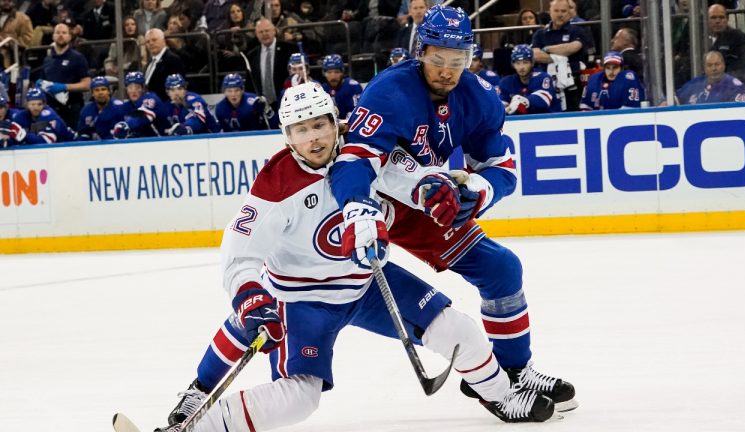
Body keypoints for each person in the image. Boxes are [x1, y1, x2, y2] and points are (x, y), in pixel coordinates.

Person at [152, 82, 552, 432]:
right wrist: (251, 296)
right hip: (304, 300)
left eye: (320, 124)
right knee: (299, 398)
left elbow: (414, 180)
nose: (314, 138)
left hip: (366, 283)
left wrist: (435, 191)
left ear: (335, 122)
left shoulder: (367, 153)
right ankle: (198, 419)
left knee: (458, 329)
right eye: (301, 129)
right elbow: (239, 254)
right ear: (287, 136)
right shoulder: (275, 185)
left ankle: (502, 396)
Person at [329, 3, 577, 417]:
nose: (446, 69)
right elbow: (355, 161)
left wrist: (476, 192)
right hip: (378, 202)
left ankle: (515, 369)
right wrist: (357, 210)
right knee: (342, 283)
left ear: (470, 57)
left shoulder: (478, 97)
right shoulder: (388, 92)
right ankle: (486, 380)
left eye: (457, 60)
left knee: (501, 269)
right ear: (420, 52)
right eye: (437, 59)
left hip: (428, 200)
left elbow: (502, 166)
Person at [532, 0, 593, 111]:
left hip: (572, 85)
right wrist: (560, 57)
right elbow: (535, 54)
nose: (560, 14)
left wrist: (546, 49)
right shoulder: (540, 33)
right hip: (546, 84)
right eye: (556, 10)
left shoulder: (577, 31)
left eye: (563, 11)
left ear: (569, 12)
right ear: (550, 12)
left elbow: (574, 47)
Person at [36, 23, 91, 128]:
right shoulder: (47, 60)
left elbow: (87, 84)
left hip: (72, 108)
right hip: (51, 110)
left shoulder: (78, 58)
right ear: (53, 36)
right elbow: (43, 82)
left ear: (69, 37)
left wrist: (64, 87)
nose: (60, 35)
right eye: (57, 32)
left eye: (64, 33)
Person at [247, 17, 294, 110]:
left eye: (267, 30)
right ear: (256, 34)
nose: (264, 34)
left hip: (287, 102)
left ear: (274, 31)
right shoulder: (251, 55)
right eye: (261, 32)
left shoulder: (289, 49)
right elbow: (250, 82)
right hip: (263, 106)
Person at [499, 44, 561, 114]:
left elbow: (543, 101)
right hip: (522, 121)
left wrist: (524, 101)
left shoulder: (543, 77)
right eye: (517, 63)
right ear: (513, 64)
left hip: (549, 119)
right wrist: (505, 109)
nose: (521, 67)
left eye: (525, 62)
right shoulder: (506, 82)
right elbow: (501, 103)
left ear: (532, 63)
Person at [673, 50, 745, 105]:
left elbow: (740, 114)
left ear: (723, 65)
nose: (714, 68)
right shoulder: (695, 83)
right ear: (704, 68)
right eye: (709, 65)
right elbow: (676, 97)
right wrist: (666, 101)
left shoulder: (735, 87)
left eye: (717, 64)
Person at [6, 87, 75, 145]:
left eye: (39, 104)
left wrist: (23, 135)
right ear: (27, 104)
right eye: (32, 104)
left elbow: (47, 141)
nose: (36, 108)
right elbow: (15, 137)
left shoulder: (48, 114)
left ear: (44, 104)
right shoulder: (22, 116)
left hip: (72, 144)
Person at [579, 51, 645, 110]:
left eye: (615, 67)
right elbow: (585, 110)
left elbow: (629, 112)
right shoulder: (594, 80)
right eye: (608, 68)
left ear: (621, 68)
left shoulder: (628, 79)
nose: (611, 72)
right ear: (604, 69)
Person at [112, 71, 170, 138]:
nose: (133, 91)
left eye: (137, 87)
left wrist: (125, 125)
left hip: (162, 142)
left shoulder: (151, 98)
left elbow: (140, 118)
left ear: (143, 88)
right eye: (130, 88)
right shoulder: (125, 106)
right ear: (126, 90)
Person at [76, 76, 125, 140]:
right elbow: (82, 133)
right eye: (97, 90)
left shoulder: (119, 107)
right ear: (92, 93)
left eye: (103, 89)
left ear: (108, 91)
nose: (100, 93)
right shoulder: (86, 110)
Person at [144, 28, 186, 101]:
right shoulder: (150, 62)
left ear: (163, 41)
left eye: (154, 40)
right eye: (148, 42)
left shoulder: (173, 60)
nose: (151, 43)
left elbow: (178, 88)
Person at [320, 54, 362, 121]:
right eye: (329, 72)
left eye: (337, 72)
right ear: (324, 73)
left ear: (342, 72)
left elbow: (358, 113)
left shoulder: (353, 86)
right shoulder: (322, 89)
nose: (333, 76)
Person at [708, 4, 745, 71]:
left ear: (727, 19)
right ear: (707, 20)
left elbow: (739, 65)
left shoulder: (738, 37)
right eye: (713, 17)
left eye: (721, 17)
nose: (717, 21)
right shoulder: (698, 38)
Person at [0, 0, 33, 69]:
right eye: (3, 0)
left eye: (9, 0)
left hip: (11, 56)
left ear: (14, 2)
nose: (6, 3)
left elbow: (27, 38)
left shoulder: (23, 18)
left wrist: (10, 43)